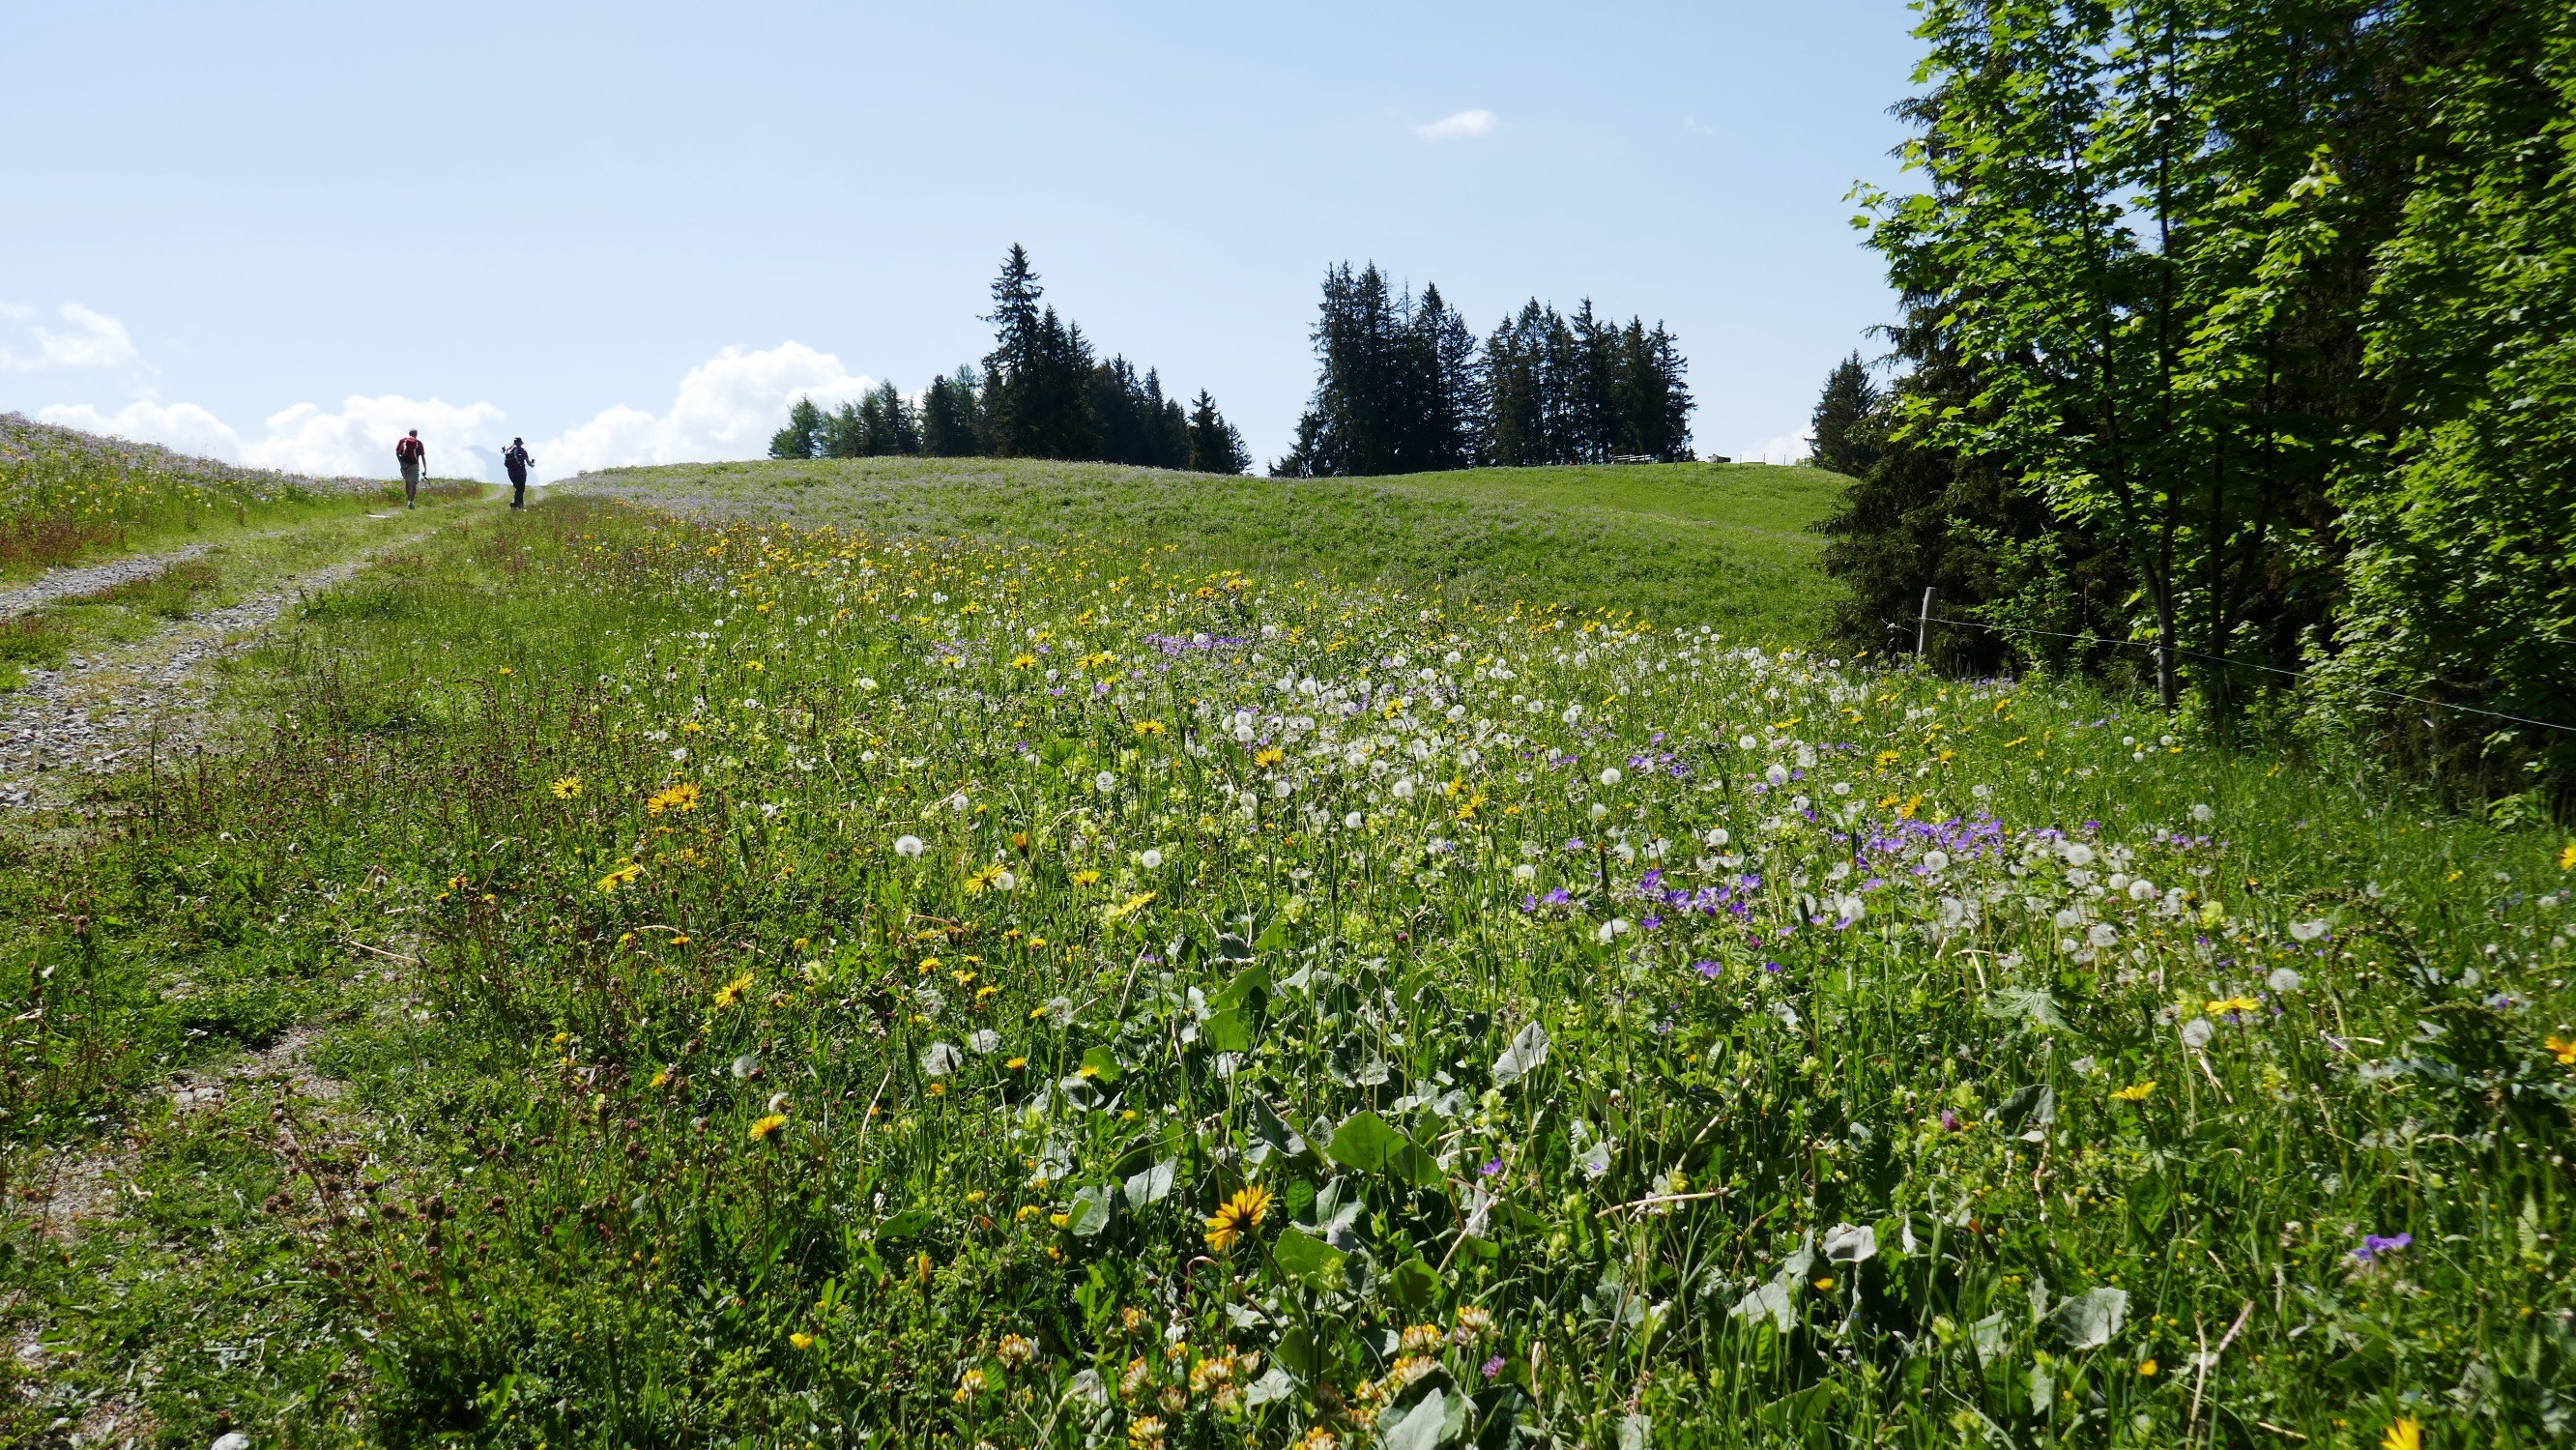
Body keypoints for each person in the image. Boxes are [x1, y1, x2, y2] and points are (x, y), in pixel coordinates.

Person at [394, 429, 426, 508]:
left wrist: (401, 462)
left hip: (404, 464)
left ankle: (408, 500)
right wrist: (425, 469)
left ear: (409, 434)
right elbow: (422, 456)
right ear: (416, 434)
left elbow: (397, 453)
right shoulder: (419, 442)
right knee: (414, 483)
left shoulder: (402, 441)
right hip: (414, 464)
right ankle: (411, 501)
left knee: (407, 482)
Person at [503, 437, 535, 509]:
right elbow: (529, 463)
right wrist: (533, 464)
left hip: (511, 473)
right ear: (520, 443)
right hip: (521, 472)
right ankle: (514, 503)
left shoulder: (508, 450)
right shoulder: (522, 450)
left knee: (518, 489)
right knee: (521, 489)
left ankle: (521, 506)